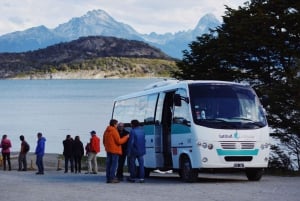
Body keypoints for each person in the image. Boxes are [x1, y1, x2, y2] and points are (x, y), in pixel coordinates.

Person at [103, 119, 129, 183]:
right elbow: (119, 141)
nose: (117, 125)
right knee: (114, 165)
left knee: (109, 164)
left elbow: (104, 141)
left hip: (108, 150)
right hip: (115, 150)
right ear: (114, 124)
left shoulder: (106, 131)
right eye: (117, 124)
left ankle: (108, 178)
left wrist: (107, 147)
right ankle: (112, 178)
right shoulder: (114, 131)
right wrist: (126, 137)